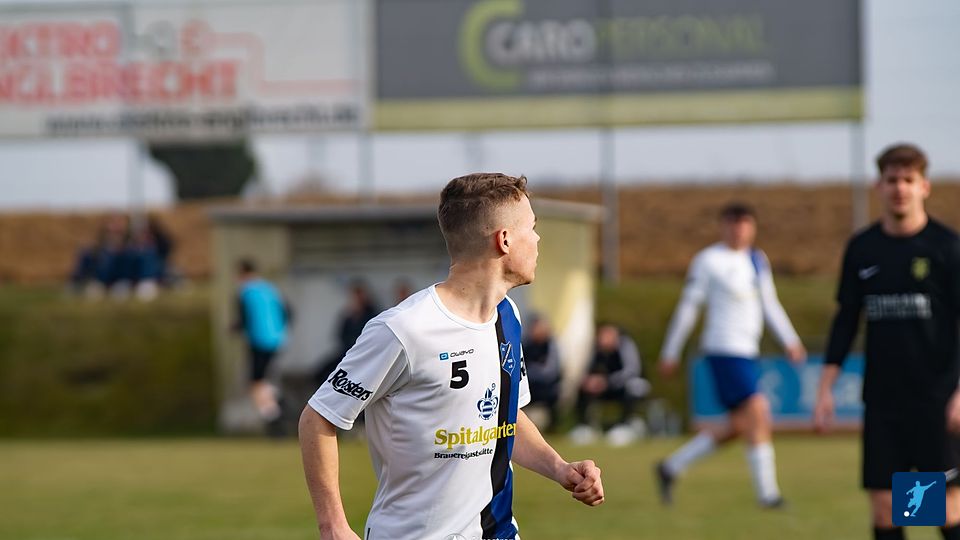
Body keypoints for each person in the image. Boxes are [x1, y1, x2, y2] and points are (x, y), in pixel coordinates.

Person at [298, 173, 604, 540]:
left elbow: (503, 417)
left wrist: (559, 467)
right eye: (532, 227)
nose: (537, 239)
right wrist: (333, 526)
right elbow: (318, 417)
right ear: (504, 240)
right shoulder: (404, 329)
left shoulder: (507, 315)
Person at [813, 143, 960, 540]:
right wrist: (825, 388)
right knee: (886, 512)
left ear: (924, 186)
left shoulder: (946, 247)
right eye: (892, 180)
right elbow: (847, 319)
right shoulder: (863, 248)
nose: (900, 188)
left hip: (936, 401)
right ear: (878, 186)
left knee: (940, 511)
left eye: (908, 180)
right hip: (883, 401)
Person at [654, 202, 807, 508]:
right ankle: (768, 495)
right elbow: (689, 307)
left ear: (753, 227)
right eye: (733, 222)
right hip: (724, 349)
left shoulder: (757, 259)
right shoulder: (708, 260)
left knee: (737, 426)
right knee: (759, 411)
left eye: (745, 223)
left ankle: (670, 467)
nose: (739, 229)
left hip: (747, 351)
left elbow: (770, 303)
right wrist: (671, 351)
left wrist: (791, 340)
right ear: (722, 226)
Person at [233, 258, 292, 433]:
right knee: (264, 378)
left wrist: (234, 328)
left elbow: (243, 319)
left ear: (242, 273)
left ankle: (274, 416)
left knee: (255, 382)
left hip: (258, 340)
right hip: (278, 340)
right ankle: (277, 401)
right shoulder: (270, 289)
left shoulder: (245, 291)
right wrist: (281, 330)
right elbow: (288, 312)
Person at [571, 324, 650, 444]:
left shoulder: (625, 346)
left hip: (626, 385)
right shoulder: (597, 349)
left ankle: (625, 426)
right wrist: (590, 381)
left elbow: (632, 370)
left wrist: (607, 381)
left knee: (631, 388)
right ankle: (586, 427)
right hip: (605, 387)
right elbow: (589, 368)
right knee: (583, 388)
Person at [522, 314, 563, 432]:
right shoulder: (526, 345)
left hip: (546, 387)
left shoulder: (551, 346)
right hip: (529, 385)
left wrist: (531, 371)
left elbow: (550, 371)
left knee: (553, 393)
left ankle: (553, 427)